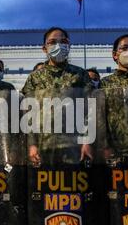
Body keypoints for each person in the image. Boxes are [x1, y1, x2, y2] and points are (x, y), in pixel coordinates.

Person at [22, 26, 93, 166]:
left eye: (63, 41)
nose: (58, 45)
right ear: (44, 48)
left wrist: (87, 141)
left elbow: (89, 110)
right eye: (53, 42)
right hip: (44, 146)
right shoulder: (35, 77)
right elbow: (28, 114)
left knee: (72, 185)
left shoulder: (80, 75)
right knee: (44, 185)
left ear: (69, 46)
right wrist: (31, 145)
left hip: (74, 146)